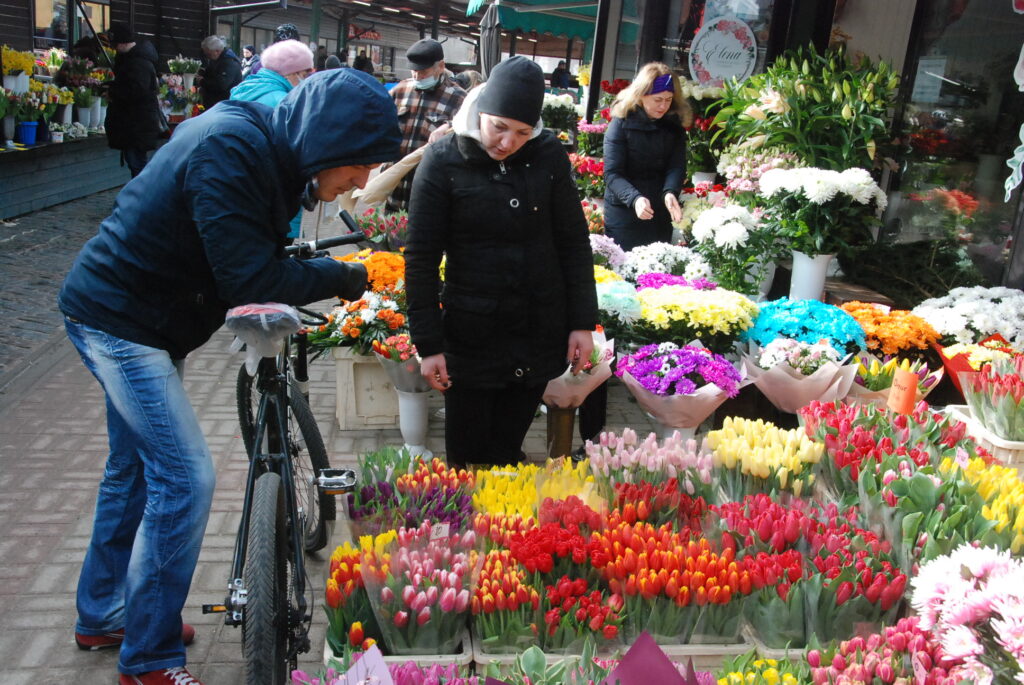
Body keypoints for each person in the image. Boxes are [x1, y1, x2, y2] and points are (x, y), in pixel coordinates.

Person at [59, 68, 400, 685]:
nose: (361, 182)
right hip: (118, 321)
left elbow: (254, 254)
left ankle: (106, 613)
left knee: (133, 469)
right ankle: (149, 660)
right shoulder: (230, 147)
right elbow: (250, 281)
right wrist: (342, 277)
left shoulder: (268, 151)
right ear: (325, 140)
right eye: (357, 166)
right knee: (185, 478)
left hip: (149, 320)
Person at [405, 56, 598, 468]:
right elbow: (420, 259)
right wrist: (429, 345)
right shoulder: (442, 161)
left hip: (537, 329)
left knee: (508, 449)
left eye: (522, 132)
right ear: (480, 113)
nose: (508, 142)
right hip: (471, 334)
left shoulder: (547, 156)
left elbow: (574, 243)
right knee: (468, 456)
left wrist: (582, 321)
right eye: (499, 127)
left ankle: (506, 520)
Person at [230, 39, 315, 240]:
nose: (305, 81)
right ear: (292, 73)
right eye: (304, 75)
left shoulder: (245, 89)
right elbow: (293, 157)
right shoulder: (284, 102)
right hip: (273, 198)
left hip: (240, 188)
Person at [602, 62, 691, 252]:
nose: (664, 106)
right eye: (658, 99)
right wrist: (635, 199)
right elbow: (612, 173)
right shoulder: (621, 123)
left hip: (659, 210)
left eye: (668, 100)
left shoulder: (673, 126)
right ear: (641, 95)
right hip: (624, 211)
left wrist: (670, 192)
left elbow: (676, 166)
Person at [385, 38, 466, 211]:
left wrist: (449, 126)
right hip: (395, 186)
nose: (417, 76)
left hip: (431, 188)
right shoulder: (400, 90)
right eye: (414, 71)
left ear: (441, 66)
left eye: (423, 71)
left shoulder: (458, 98)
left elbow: (468, 133)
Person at [103, 24, 162, 178]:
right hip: (134, 122)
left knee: (137, 163)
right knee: (135, 161)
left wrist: (113, 92)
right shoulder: (132, 59)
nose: (114, 49)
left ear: (123, 43)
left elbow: (136, 91)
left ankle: (142, 197)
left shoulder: (137, 62)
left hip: (136, 122)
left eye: (115, 45)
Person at [198, 35, 243, 110]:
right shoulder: (216, 59)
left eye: (209, 54)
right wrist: (202, 72)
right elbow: (211, 74)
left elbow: (221, 85)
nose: (207, 56)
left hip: (224, 105)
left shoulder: (229, 62)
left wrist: (202, 82)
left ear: (217, 51)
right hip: (215, 104)